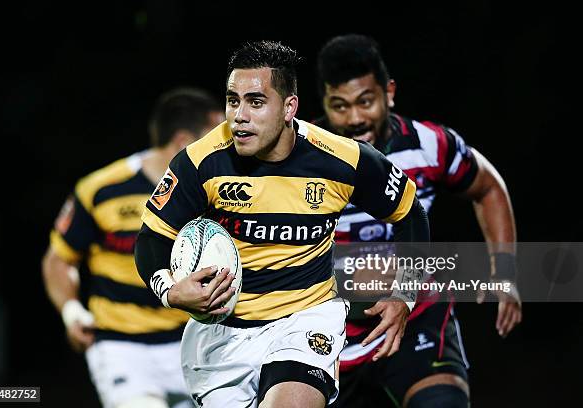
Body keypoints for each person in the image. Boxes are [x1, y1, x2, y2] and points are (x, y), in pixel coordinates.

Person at [134, 40, 430, 408]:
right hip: (220, 336)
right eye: (232, 100)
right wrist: (169, 290)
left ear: (289, 107)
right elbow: (152, 239)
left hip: (304, 319)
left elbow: (410, 214)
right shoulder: (200, 163)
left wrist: (404, 294)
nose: (239, 115)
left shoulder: (341, 160)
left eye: (256, 102)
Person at [315, 34, 522, 407]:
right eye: (340, 106)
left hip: (417, 319)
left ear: (389, 92)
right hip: (326, 337)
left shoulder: (428, 145)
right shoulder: (302, 158)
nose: (356, 118)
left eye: (366, 101)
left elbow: (489, 189)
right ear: (324, 107)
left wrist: (504, 272)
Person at [42, 87, 224, 408]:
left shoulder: (218, 191)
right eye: (214, 138)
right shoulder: (102, 189)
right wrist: (72, 313)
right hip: (121, 347)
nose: (225, 147)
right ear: (184, 142)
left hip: (195, 343)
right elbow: (59, 260)